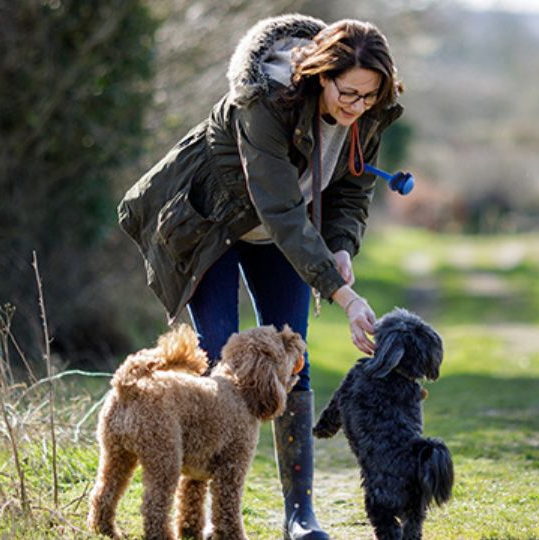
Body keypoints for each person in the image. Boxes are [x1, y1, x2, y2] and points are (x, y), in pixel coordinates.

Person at [117, 14, 404, 540]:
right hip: (211, 226)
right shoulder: (262, 103)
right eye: (348, 93)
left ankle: (301, 515)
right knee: (217, 353)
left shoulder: (369, 114)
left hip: (283, 237)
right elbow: (281, 208)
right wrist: (342, 294)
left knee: (296, 357)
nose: (357, 106)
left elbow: (352, 192)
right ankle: (206, 519)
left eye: (369, 96)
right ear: (320, 74)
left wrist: (339, 247)